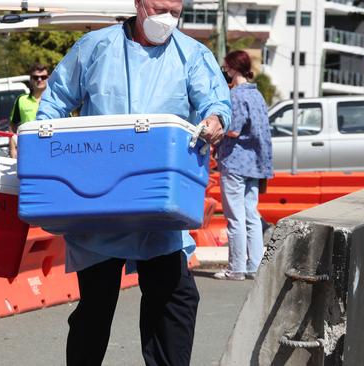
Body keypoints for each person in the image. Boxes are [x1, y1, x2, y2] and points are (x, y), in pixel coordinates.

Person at [35, 0, 231, 364]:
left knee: (176, 299)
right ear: (139, 4)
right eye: (159, 9)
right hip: (99, 199)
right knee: (95, 308)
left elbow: (216, 102)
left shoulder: (192, 55)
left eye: (175, 11)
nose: (167, 19)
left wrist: (216, 119)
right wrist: (37, 137)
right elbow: (57, 100)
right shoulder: (96, 48)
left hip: (158, 203)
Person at [213, 50, 273, 281]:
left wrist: (213, 133)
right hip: (256, 163)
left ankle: (236, 267)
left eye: (226, 67)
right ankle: (255, 265)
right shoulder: (257, 95)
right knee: (251, 215)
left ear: (233, 68)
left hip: (235, 161)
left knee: (235, 217)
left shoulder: (236, 96)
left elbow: (233, 129)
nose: (225, 71)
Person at [8, 63, 49, 157]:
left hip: (52, 150)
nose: (39, 80)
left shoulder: (57, 101)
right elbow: (12, 126)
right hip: (28, 151)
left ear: (48, 78)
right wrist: (13, 150)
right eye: (35, 77)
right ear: (31, 79)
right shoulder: (21, 100)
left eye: (43, 77)